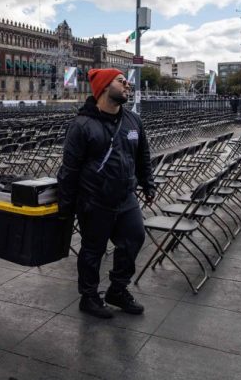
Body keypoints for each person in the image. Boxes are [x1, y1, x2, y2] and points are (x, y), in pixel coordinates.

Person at [57, 68, 155, 319]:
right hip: (94, 199)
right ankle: (89, 297)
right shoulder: (81, 125)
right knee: (93, 250)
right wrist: (66, 207)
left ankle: (117, 289)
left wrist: (147, 183)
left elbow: (142, 155)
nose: (127, 86)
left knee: (134, 238)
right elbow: (69, 169)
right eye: (121, 82)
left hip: (125, 196)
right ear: (103, 87)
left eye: (127, 82)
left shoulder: (133, 121)